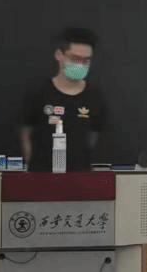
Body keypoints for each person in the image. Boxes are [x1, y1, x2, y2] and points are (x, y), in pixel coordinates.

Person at [20, 27, 107, 172]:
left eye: (86, 60)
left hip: (81, 178)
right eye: (75, 58)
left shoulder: (95, 96)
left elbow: (94, 138)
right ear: (59, 55)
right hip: (41, 177)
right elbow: (25, 134)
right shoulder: (38, 93)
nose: (80, 64)